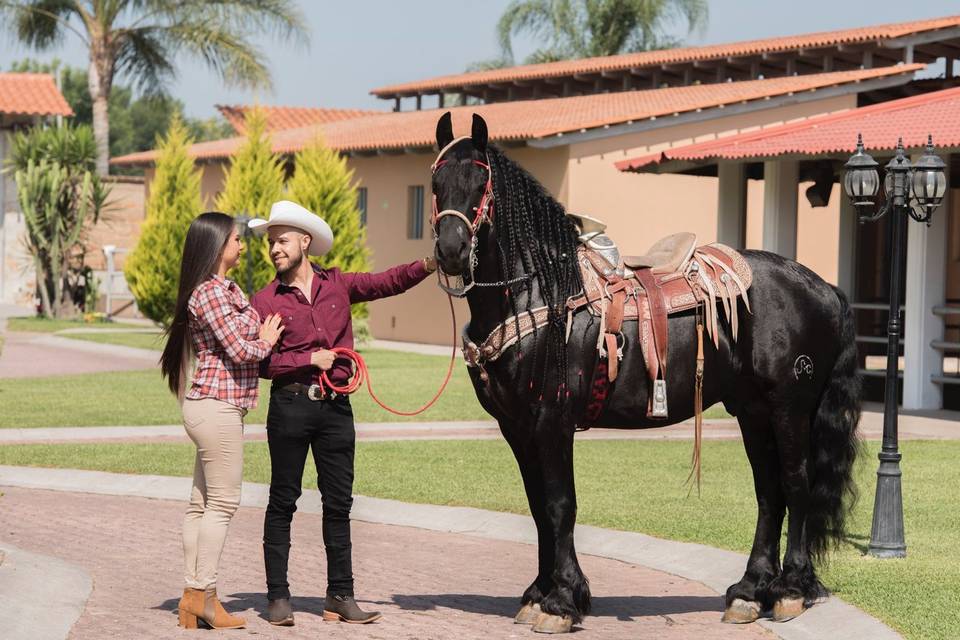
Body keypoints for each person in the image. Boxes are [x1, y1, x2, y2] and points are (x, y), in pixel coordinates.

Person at [249, 200, 437, 626]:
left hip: (336, 408)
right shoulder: (264, 300)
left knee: (339, 504)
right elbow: (261, 365)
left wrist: (429, 263)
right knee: (283, 500)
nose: (274, 249)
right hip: (290, 406)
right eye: (270, 243)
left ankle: (340, 595)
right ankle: (278, 597)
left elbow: (387, 281)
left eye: (281, 241)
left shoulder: (339, 285)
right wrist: (306, 360)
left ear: (305, 242)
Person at [159, 212, 284, 630]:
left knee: (201, 504)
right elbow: (240, 348)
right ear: (217, 245)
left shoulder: (224, 289)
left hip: (211, 405)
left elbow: (242, 332)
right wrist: (265, 340)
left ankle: (191, 599)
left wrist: (257, 333)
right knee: (224, 503)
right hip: (218, 406)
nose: (243, 245)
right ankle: (202, 595)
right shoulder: (210, 294)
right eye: (235, 239)